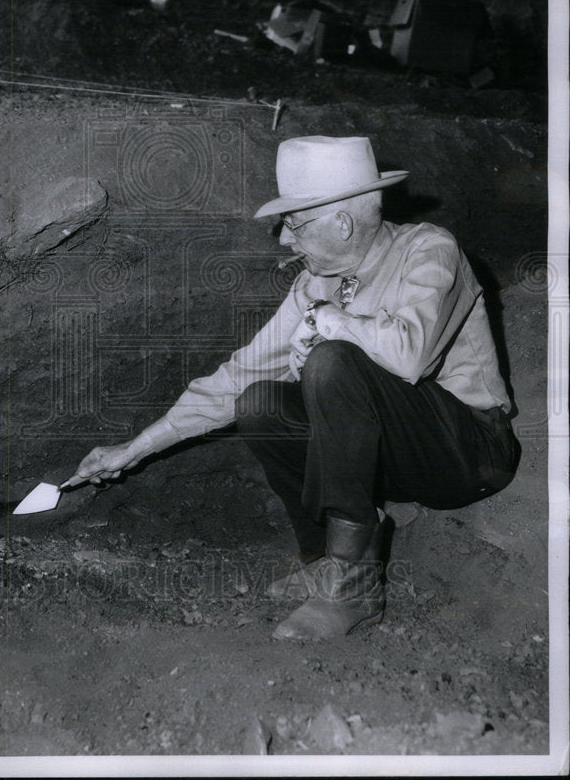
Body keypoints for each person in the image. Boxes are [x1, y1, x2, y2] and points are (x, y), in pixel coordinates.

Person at [65, 136, 521, 641]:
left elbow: (409, 355)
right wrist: (133, 449)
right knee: (259, 401)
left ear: (342, 223)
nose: (284, 240)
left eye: (294, 224)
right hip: (390, 459)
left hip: (471, 454)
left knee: (330, 361)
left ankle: (353, 588)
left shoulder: (430, 250)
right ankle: (328, 560)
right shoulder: (316, 282)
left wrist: (333, 321)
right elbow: (241, 373)